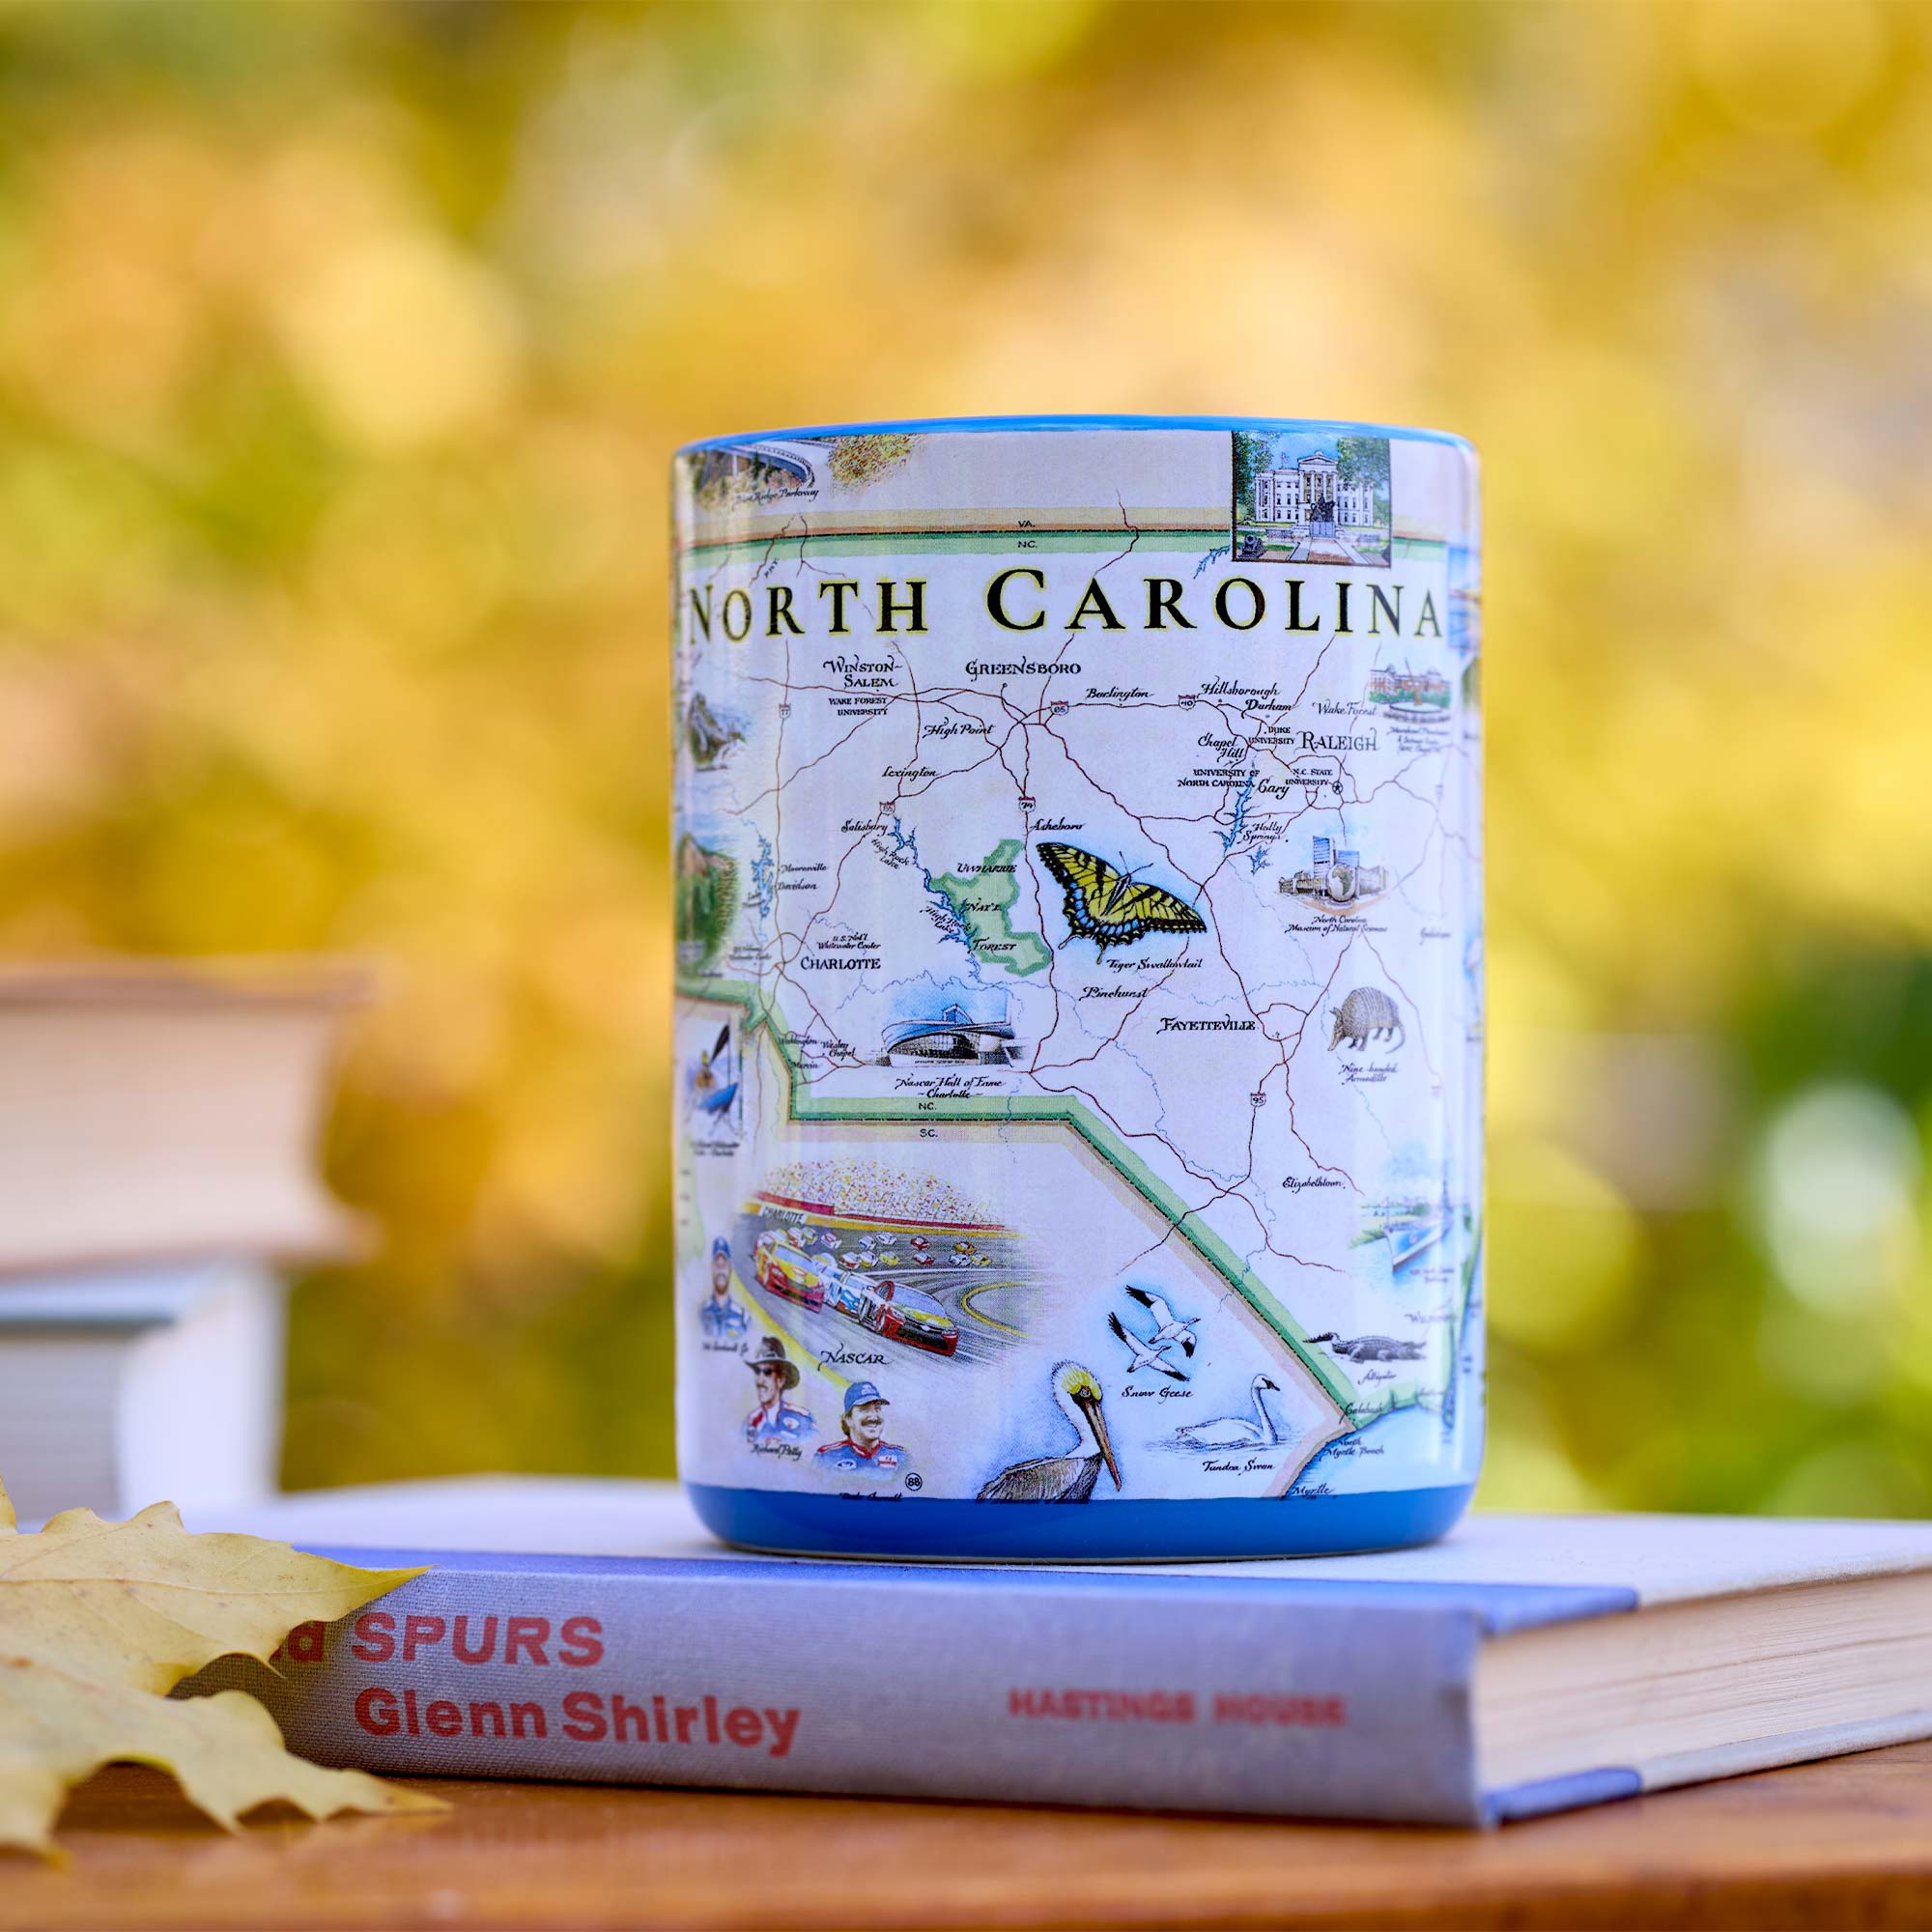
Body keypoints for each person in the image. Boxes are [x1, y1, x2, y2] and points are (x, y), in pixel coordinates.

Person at [812, 1380, 906, 1477]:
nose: (873, 1417)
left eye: (877, 1408)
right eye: (864, 1409)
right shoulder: (827, 1457)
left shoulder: (901, 1457)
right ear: (848, 1419)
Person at [743, 1336, 814, 1443]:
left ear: (781, 1379)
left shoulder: (802, 1419)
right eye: (757, 1372)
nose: (760, 1380)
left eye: (767, 1372)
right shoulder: (750, 1422)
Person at [700, 1236, 749, 1341]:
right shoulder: (701, 1315)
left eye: (724, 1265)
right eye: (717, 1265)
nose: (720, 1271)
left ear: (730, 1268)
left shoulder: (743, 1317)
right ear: (712, 1268)